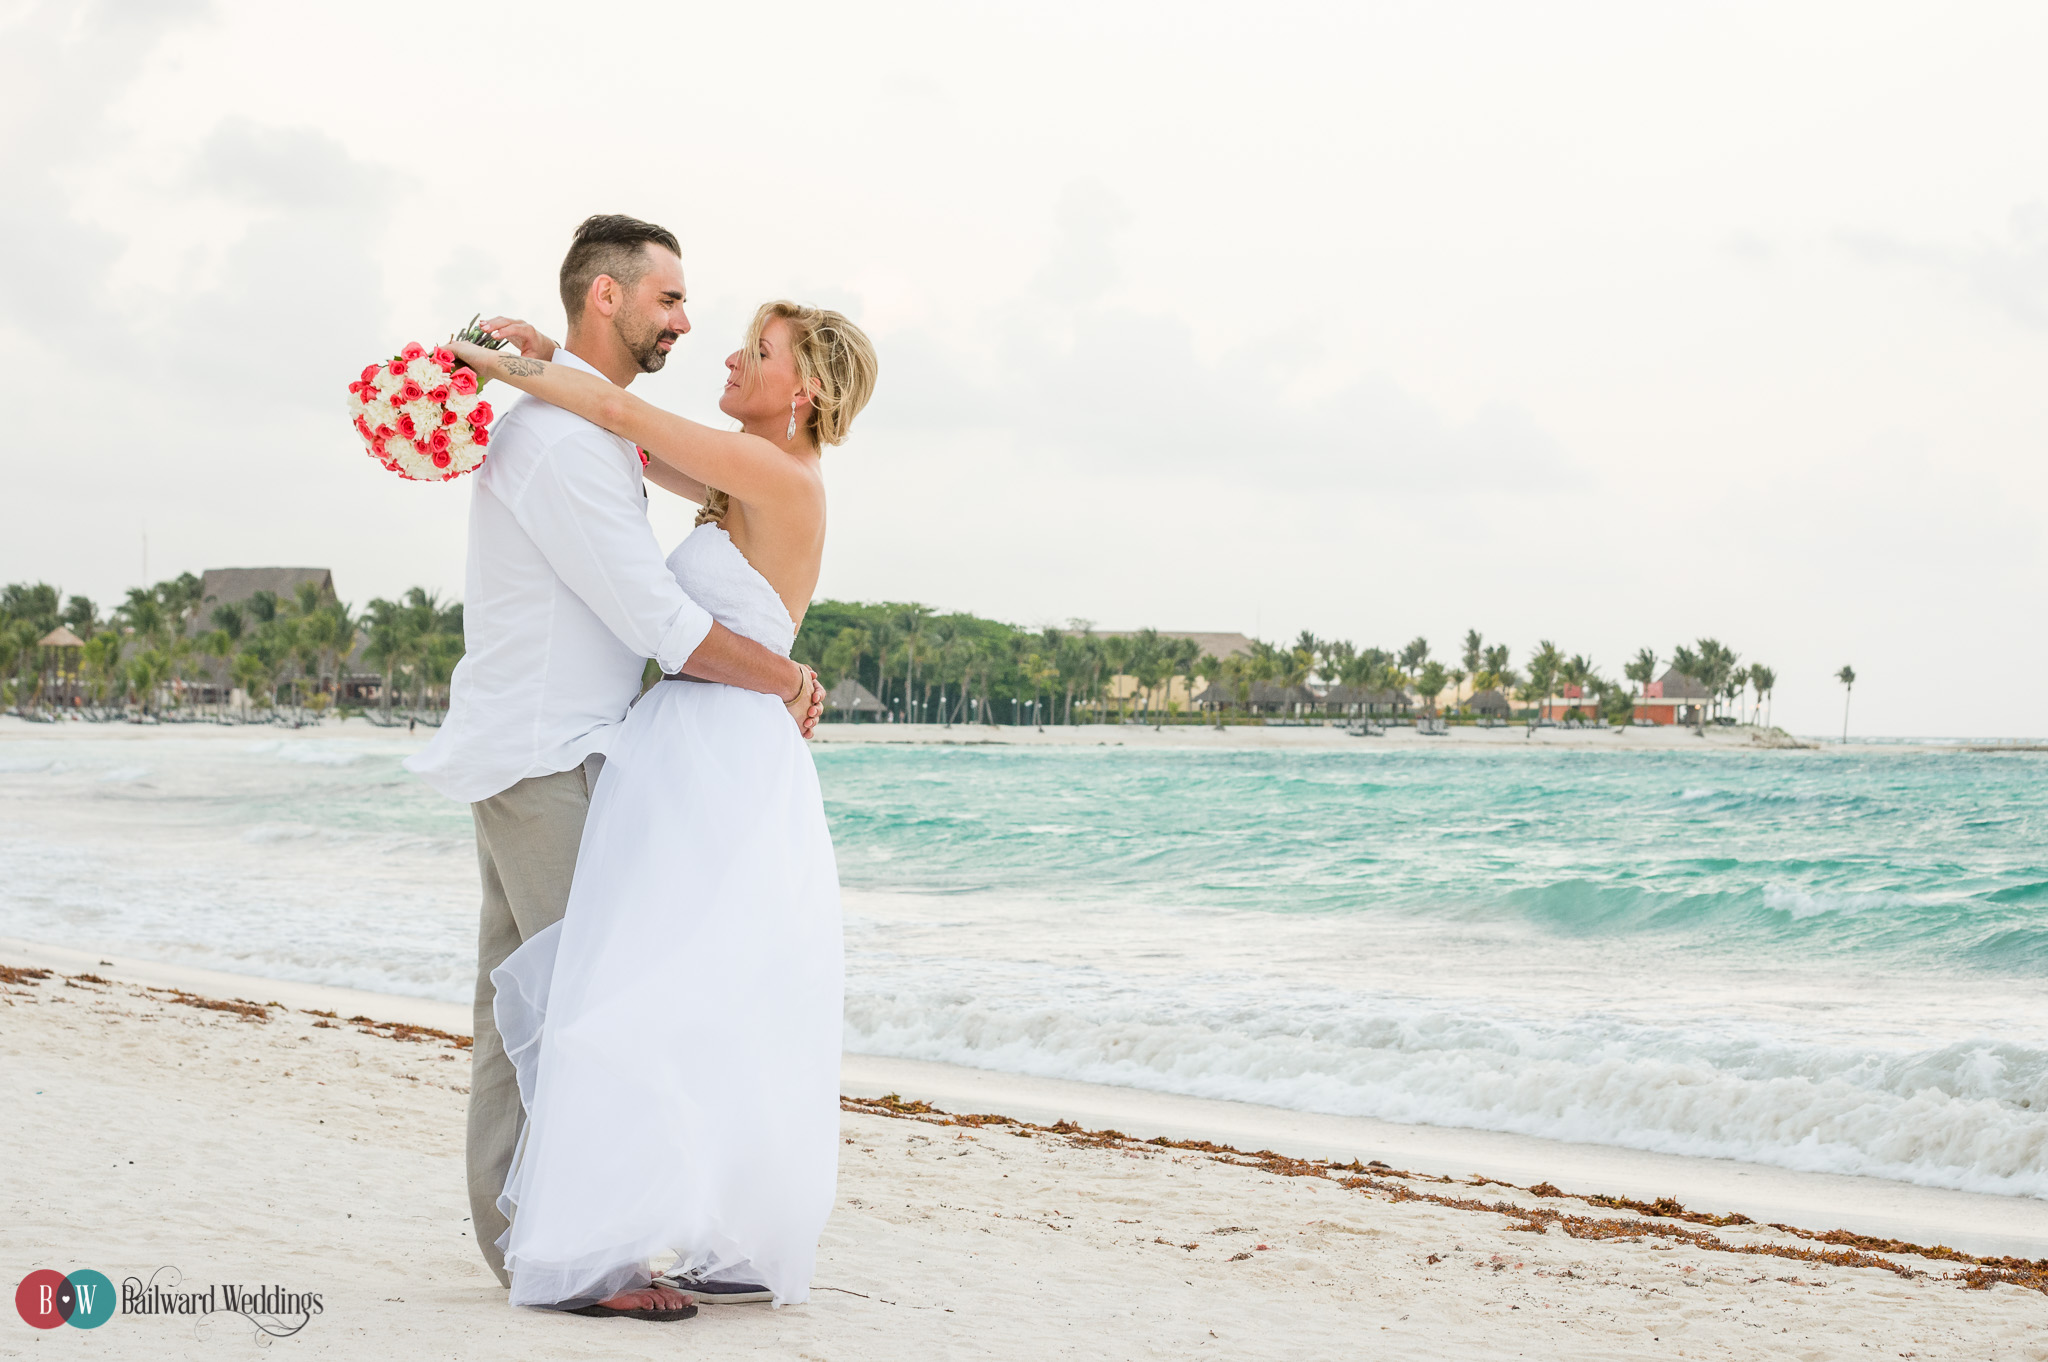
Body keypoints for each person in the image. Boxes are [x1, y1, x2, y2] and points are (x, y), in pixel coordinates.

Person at [406, 215, 826, 1321]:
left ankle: (521, 1241)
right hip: (547, 750)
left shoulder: (582, 432)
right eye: (670, 301)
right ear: (609, 297)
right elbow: (660, 623)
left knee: (530, 1004)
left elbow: (630, 432)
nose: (689, 324)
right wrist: (783, 680)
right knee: (582, 1006)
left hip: (554, 746)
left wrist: (531, 357)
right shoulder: (561, 443)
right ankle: (578, 1259)